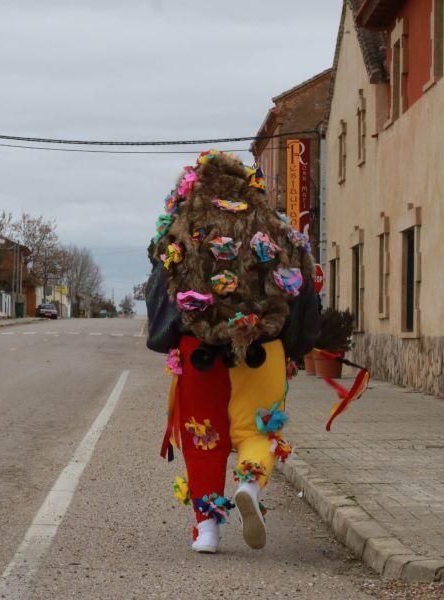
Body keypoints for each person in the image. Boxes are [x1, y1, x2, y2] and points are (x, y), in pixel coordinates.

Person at [146, 150, 318, 553]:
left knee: (203, 436)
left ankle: (207, 529)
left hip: (199, 348)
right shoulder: (275, 225)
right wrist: (297, 346)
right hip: (262, 346)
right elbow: (304, 286)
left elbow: (160, 284)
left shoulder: (183, 225)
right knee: (256, 429)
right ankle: (248, 486)